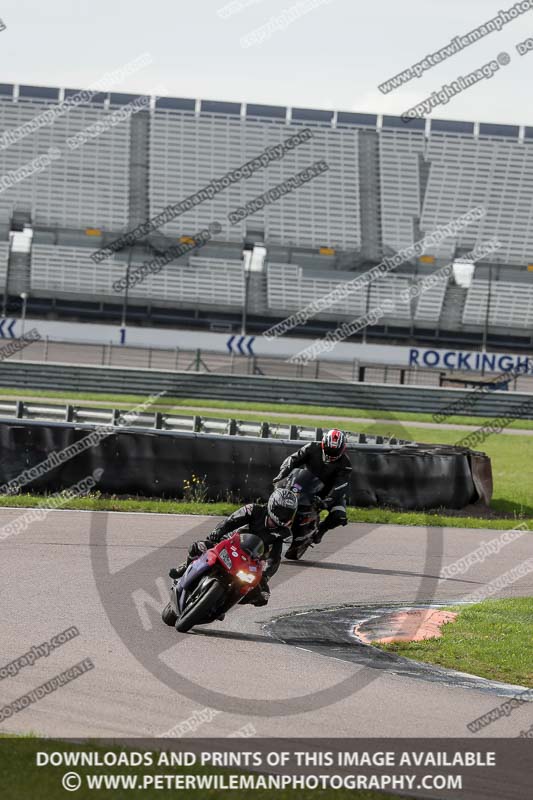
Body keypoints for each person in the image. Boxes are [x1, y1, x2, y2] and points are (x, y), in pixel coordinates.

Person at [169, 488, 298, 607]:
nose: (284, 516)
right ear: (272, 505)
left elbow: (275, 559)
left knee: (262, 596)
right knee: (198, 547)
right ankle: (185, 567)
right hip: (228, 544)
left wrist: (264, 577)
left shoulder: (285, 535)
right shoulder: (253, 510)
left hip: (251, 561)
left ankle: (222, 604)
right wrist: (216, 534)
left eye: (288, 513)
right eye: (281, 511)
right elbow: (230, 521)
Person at [273, 429, 352, 544]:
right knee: (283, 495)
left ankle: (321, 530)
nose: (330, 455)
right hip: (305, 483)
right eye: (329, 450)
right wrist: (281, 476)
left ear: (342, 449)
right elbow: (293, 459)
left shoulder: (346, 464)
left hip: (328, 492)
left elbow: (340, 485)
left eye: (334, 453)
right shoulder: (311, 447)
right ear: (323, 444)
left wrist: (327, 501)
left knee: (339, 515)